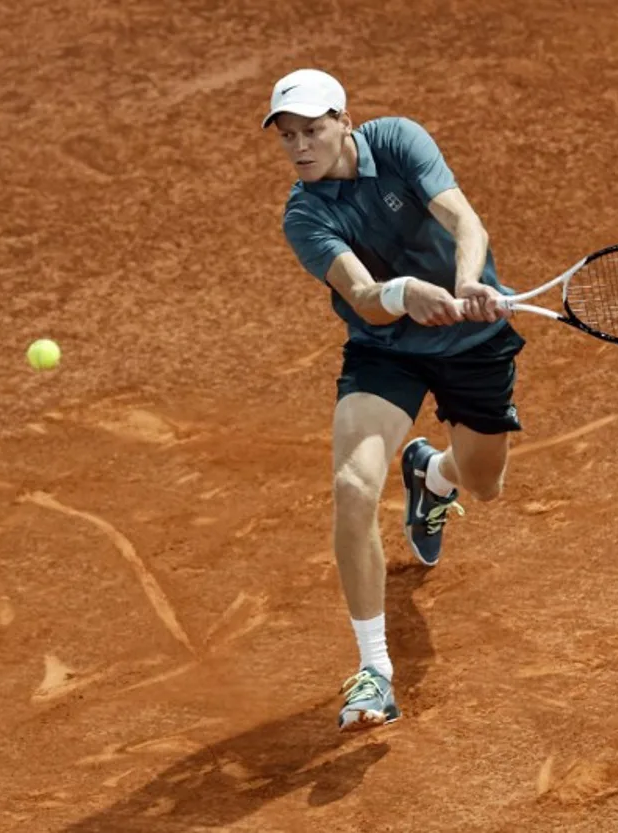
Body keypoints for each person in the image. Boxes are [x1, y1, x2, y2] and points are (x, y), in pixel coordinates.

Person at [262, 68, 527, 731]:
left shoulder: (401, 140)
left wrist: (467, 282)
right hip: (386, 352)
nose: (300, 147)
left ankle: (431, 474)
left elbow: (463, 218)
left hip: (474, 342)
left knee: (485, 483)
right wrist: (407, 292)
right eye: (288, 136)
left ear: (344, 120)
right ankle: (374, 669)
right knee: (352, 486)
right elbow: (360, 295)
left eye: (313, 131)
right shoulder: (305, 213)